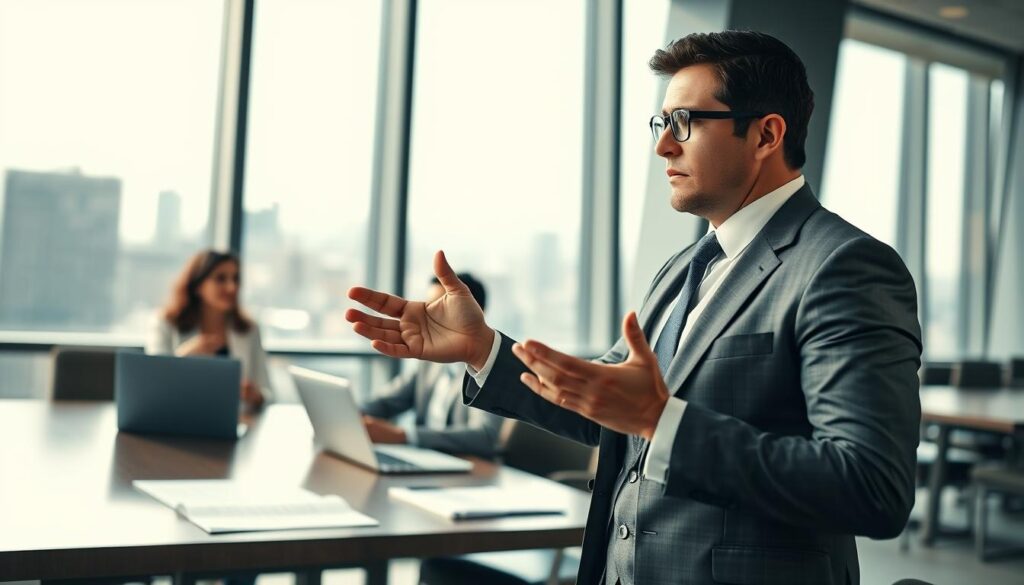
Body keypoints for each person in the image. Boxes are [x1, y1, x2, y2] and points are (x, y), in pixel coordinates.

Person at [346, 30, 922, 585]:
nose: (663, 144)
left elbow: (870, 488)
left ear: (767, 134)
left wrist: (661, 420)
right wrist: (484, 350)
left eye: (686, 122)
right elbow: (602, 401)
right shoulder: (682, 269)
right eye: (661, 122)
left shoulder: (844, 267)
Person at [360, 273, 504, 458]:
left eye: (441, 309)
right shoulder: (430, 364)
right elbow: (386, 402)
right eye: (428, 308)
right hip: (423, 460)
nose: (429, 319)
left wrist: (404, 436)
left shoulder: (490, 370)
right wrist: (351, 415)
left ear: (476, 314)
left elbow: (484, 436)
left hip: (470, 470)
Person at [146, 249, 272, 411]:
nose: (231, 287)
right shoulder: (165, 323)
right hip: (177, 416)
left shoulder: (249, 329)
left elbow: (267, 392)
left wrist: (256, 396)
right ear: (197, 285)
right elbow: (153, 384)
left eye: (236, 279)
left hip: (235, 420)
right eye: (220, 279)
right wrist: (185, 355)